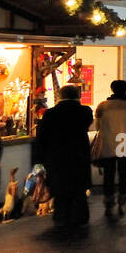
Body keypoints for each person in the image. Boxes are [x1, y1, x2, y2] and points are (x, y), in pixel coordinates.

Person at [33, 84, 94, 229]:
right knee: (78, 189)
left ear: (60, 96)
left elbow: (41, 137)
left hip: (56, 157)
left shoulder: (50, 113)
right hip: (78, 156)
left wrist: (39, 160)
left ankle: (61, 217)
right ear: (77, 96)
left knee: (60, 189)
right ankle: (80, 217)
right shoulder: (84, 111)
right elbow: (87, 124)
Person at [92, 79, 126, 220]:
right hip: (124, 141)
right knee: (123, 173)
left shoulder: (103, 106)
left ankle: (108, 204)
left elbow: (97, 126)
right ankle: (122, 201)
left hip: (108, 142)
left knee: (108, 174)